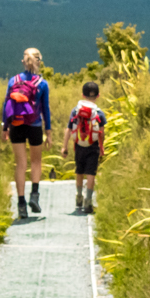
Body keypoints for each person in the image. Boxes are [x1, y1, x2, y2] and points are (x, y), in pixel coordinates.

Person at [1, 47, 51, 219]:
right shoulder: (42, 84)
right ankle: (34, 195)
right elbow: (45, 109)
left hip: (16, 125)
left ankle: (21, 204)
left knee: (20, 164)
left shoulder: (12, 80)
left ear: (23, 61)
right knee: (36, 161)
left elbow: (6, 105)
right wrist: (49, 132)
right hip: (35, 125)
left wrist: (4, 127)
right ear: (39, 61)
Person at [62, 81, 106, 214]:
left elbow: (69, 129)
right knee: (91, 173)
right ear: (98, 96)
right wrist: (101, 147)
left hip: (79, 146)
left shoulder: (75, 111)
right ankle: (88, 201)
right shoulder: (99, 113)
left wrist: (65, 147)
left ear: (83, 94)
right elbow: (101, 133)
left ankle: (79, 196)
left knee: (79, 171)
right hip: (93, 147)